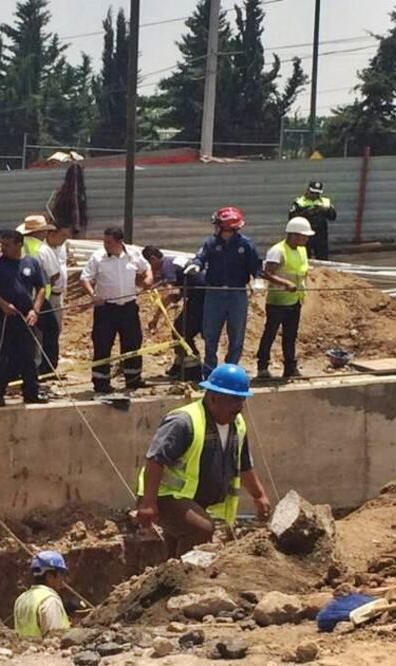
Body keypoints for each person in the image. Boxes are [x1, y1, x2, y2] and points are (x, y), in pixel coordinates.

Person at [135, 364, 272, 558]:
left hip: (193, 498)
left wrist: (259, 496)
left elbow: (244, 465)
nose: (239, 407)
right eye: (234, 400)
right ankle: (187, 573)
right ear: (214, 397)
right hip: (164, 496)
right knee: (201, 528)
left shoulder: (237, 425)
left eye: (242, 399)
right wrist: (148, 504)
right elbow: (155, 459)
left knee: (179, 542)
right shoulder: (184, 422)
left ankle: (171, 570)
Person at [188, 207, 261, 374]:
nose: (215, 228)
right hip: (214, 294)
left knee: (236, 335)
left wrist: (258, 279)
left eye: (218, 225)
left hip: (237, 294)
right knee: (210, 335)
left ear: (227, 228)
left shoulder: (246, 245)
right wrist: (196, 265)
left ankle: (230, 371)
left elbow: (255, 265)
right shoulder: (211, 243)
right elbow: (201, 257)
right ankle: (209, 373)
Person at [0, 230, 49, 407]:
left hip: (25, 316)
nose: (3, 248)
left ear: (19, 245)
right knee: (0, 355)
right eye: (2, 244)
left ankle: (31, 392)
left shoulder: (31, 263)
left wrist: (35, 310)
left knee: (28, 355)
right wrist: (2, 303)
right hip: (1, 316)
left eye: (7, 245)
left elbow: (41, 287)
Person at [80, 227, 153, 393]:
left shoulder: (133, 253)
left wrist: (149, 278)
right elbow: (85, 278)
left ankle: (133, 379)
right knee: (102, 344)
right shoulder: (98, 257)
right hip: (106, 309)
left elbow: (146, 267)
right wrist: (93, 295)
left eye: (109, 242)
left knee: (132, 343)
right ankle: (101, 383)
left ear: (120, 242)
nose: (105, 245)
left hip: (129, 307)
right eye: (104, 242)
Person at [257, 218, 314, 380]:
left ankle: (290, 367)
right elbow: (266, 273)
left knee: (290, 335)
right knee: (270, 333)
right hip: (278, 301)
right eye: (304, 236)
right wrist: (285, 283)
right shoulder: (277, 251)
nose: (306, 239)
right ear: (294, 235)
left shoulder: (302, 250)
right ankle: (262, 366)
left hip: (295, 300)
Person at [143, 246, 205, 381]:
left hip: (201, 298)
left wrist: (155, 318)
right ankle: (179, 365)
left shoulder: (167, 267)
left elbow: (171, 294)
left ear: (152, 259)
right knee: (180, 329)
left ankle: (192, 370)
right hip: (200, 296)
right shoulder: (172, 261)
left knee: (181, 331)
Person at [17, 214, 62, 376]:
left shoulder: (18, 246)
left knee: (25, 334)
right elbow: (54, 274)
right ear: (40, 232)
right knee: (51, 331)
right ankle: (47, 367)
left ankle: (24, 367)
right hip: (39, 299)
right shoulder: (42, 249)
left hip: (19, 297)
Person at [13, 551, 71, 638]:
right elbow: (54, 637)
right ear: (49, 577)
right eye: (61, 574)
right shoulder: (50, 600)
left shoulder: (21, 599)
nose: (62, 579)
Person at [288, 181, 337, 260]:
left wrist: (327, 211)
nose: (315, 195)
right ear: (308, 190)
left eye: (317, 193)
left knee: (322, 257)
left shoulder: (325, 202)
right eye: (312, 192)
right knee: (304, 256)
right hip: (304, 234)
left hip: (320, 235)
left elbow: (333, 217)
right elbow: (291, 217)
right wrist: (307, 213)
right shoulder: (299, 202)